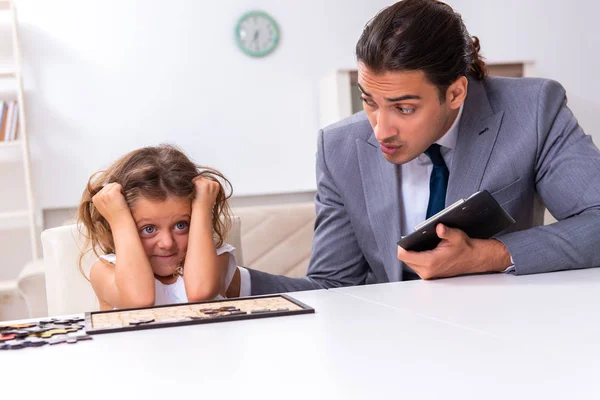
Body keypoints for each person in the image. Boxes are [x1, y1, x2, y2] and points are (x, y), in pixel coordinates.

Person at [228, 0, 600, 296]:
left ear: (455, 92)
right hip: (391, 353)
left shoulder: (533, 109)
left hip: (502, 341)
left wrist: (490, 255)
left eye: (405, 108)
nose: (380, 130)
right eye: (369, 101)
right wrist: (233, 282)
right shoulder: (338, 148)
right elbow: (333, 288)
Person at [78, 144, 240, 310]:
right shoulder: (105, 271)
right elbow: (139, 301)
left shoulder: (216, 259)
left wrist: (202, 207)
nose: (167, 243)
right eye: (148, 229)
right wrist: (119, 218)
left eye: (181, 225)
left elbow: (200, 293)